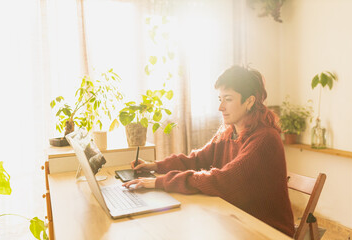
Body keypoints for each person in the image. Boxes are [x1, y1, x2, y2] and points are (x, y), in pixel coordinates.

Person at [123, 65, 295, 237]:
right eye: (220, 99)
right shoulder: (229, 132)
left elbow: (222, 180)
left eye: (228, 99)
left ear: (249, 101)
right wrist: (154, 166)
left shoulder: (265, 138)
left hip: (267, 231)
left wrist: (158, 182)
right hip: (234, 221)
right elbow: (196, 160)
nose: (220, 107)